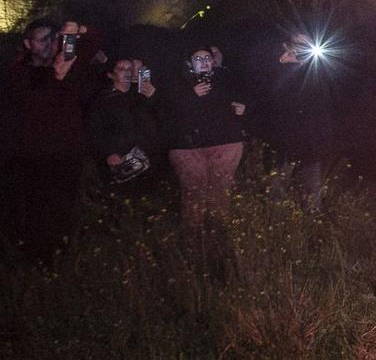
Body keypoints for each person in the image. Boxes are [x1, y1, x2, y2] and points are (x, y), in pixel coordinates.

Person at [2, 19, 98, 263]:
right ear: (28, 44)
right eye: (41, 39)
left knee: (66, 209)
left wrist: (79, 30)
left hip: (68, 153)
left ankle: (66, 258)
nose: (48, 44)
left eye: (52, 38)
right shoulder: (20, 72)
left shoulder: (69, 65)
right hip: (36, 157)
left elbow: (96, 41)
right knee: (38, 212)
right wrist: (55, 77)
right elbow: (31, 101)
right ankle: (38, 262)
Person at [163, 46, 248, 227]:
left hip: (225, 143)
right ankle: (194, 237)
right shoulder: (177, 82)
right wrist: (191, 95)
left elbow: (244, 98)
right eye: (198, 59)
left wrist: (241, 109)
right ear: (189, 63)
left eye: (207, 58)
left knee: (220, 191)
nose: (204, 62)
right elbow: (166, 111)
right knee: (194, 192)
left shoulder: (225, 79)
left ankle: (218, 233)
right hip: (188, 147)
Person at [264, 33, 338, 210]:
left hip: (310, 141)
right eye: (298, 45)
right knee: (278, 188)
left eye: (307, 45)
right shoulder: (276, 67)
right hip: (283, 140)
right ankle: (277, 226)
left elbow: (327, 100)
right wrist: (282, 65)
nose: (302, 50)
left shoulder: (318, 69)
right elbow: (268, 96)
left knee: (313, 189)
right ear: (288, 46)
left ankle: (313, 227)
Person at [87, 56, 165, 200]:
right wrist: (109, 153)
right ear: (111, 74)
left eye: (130, 69)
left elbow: (159, 119)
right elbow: (95, 131)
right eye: (122, 69)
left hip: (148, 158)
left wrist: (153, 97)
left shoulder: (140, 95)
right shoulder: (102, 100)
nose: (127, 73)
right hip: (122, 159)